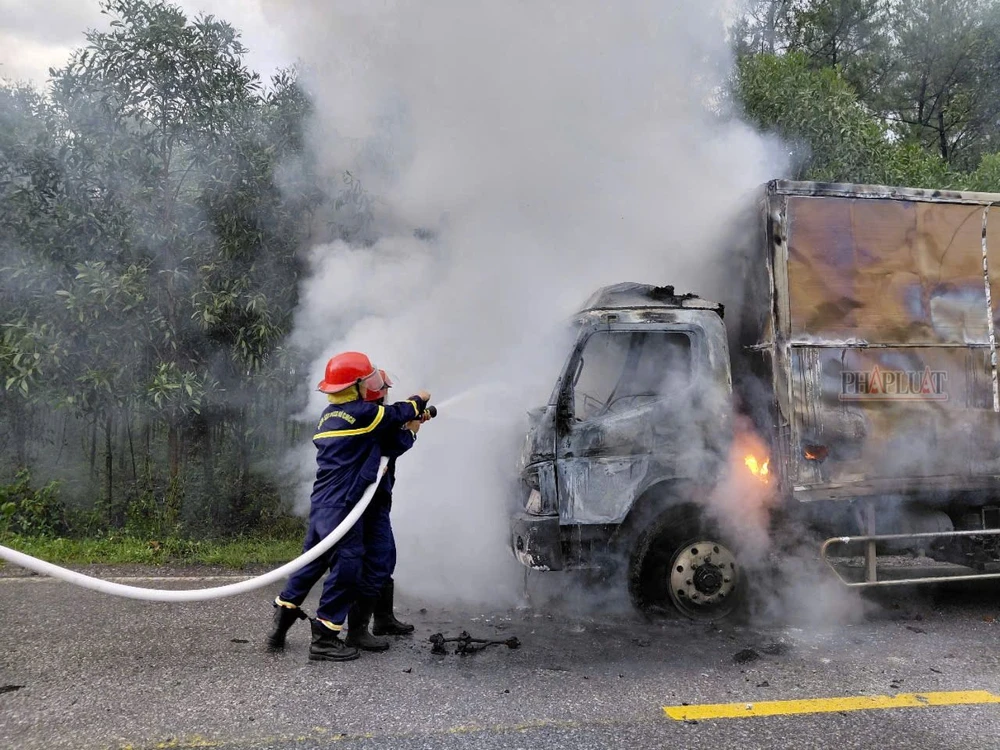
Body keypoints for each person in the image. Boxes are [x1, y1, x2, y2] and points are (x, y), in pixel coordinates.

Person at [266, 351, 429, 661]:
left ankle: (282, 623)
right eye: (371, 382)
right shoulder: (363, 414)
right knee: (347, 568)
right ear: (355, 386)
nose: (378, 388)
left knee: (316, 563)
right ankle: (326, 638)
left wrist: (410, 428)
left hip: (332, 504)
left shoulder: (337, 414)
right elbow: (400, 414)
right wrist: (420, 402)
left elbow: (387, 443)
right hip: (344, 506)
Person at [348, 370, 425, 648]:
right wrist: (412, 431)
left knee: (386, 557)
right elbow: (392, 445)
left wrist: (407, 424)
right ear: (377, 392)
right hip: (365, 506)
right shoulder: (370, 418)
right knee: (375, 561)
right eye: (385, 390)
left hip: (376, 503)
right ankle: (357, 631)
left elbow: (392, 430)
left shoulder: (376, 416)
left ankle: (383, 619)